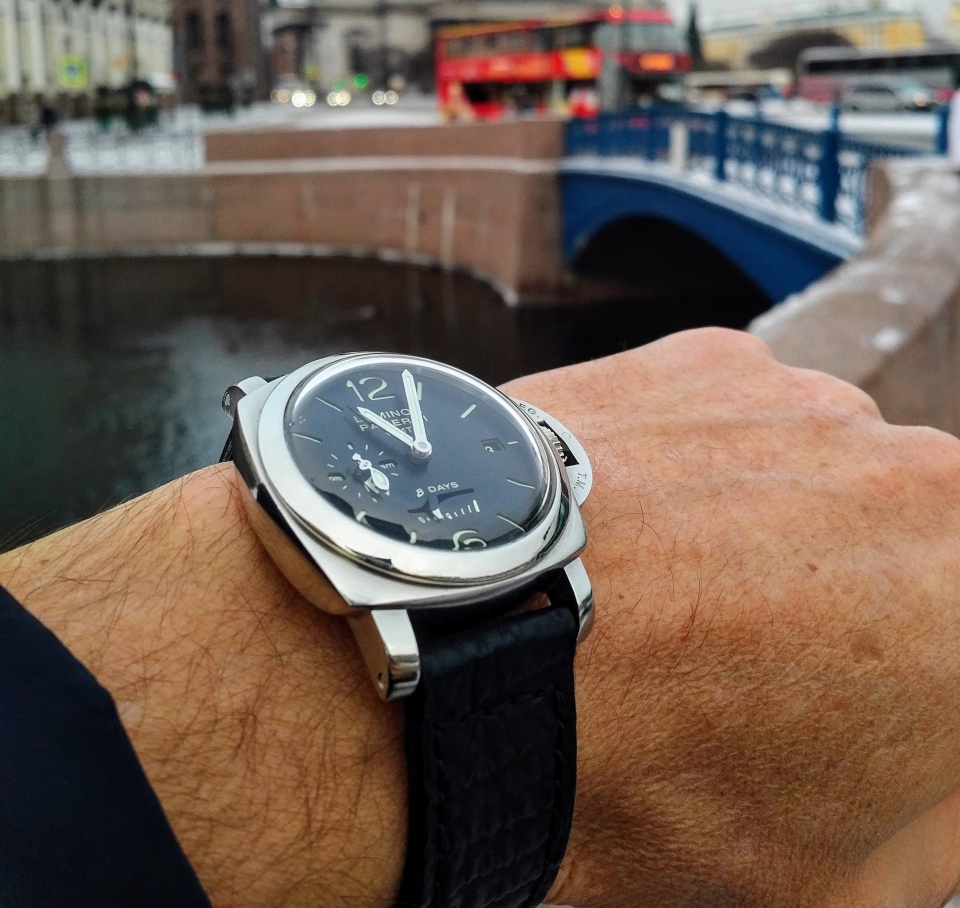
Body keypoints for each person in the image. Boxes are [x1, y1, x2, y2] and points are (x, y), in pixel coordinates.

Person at [3, 327, 960, 907]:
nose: (421, 452)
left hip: (525, 559)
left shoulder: (554, 559)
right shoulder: (385, 623)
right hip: (421, 595)